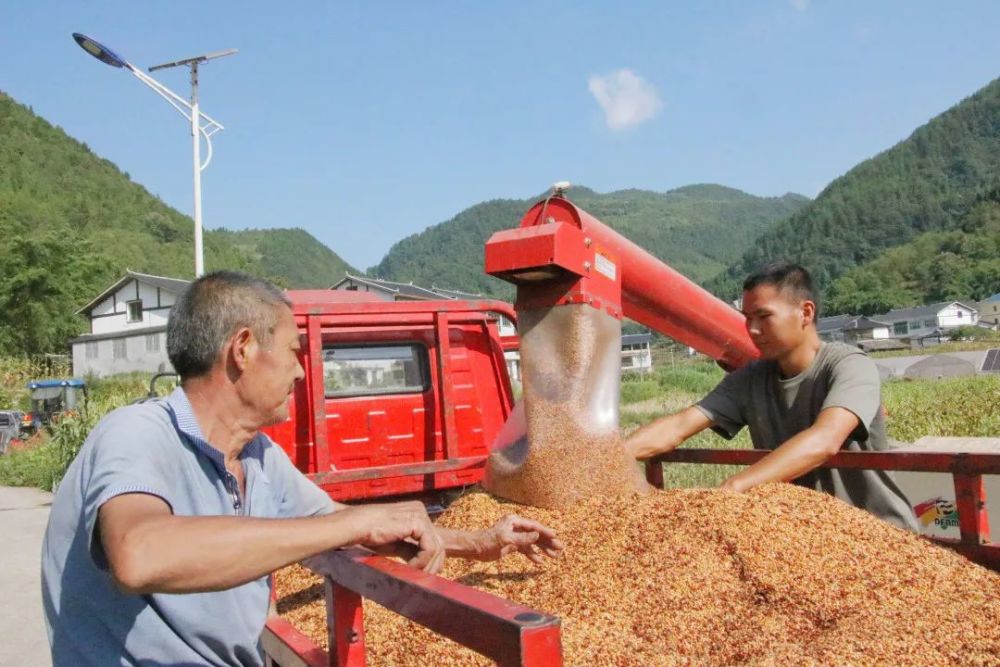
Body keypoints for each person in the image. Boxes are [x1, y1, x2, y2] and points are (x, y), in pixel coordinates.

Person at [42, 271, 563, 666]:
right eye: (293, 351)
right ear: (242, 349)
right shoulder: (136, 434)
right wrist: (349, 523)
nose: (299, 370)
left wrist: (482, 542)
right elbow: (140, 555)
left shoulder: (260, 457)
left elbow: (338, 525)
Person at [625, 261, 918, 532]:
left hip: (876, 533)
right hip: (805, 538)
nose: (752, 329)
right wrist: (612, 455)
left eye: (764, 316)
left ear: (805, 313)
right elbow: (680, 425)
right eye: (747, 318)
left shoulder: (848, 365)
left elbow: (825, 440)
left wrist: (735, 487)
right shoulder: (751, 378)